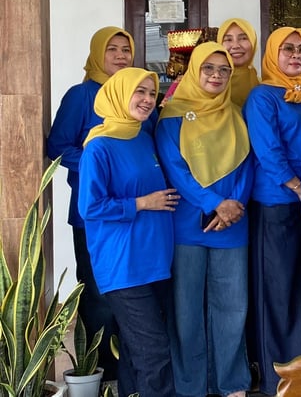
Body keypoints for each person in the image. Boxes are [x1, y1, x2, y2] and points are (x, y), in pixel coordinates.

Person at [47, 26, 144, 381]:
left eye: (125, 49)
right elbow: (58, 147)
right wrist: (98, 165)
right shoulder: (82, 95)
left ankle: (132, 370)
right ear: (97, 53)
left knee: (132, 292)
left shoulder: (138, 95)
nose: (120, 55)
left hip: (137, 210)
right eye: (112, 49)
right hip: (93, 214)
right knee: (99, 294)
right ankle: (102, 372)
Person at [155, 42, 253, 397]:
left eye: (224, 70)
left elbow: (247, 164)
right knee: (186, 310)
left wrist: (233, 206)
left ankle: (231, 381)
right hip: (188, 224)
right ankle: (190, 385)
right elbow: (175, 169)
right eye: (208, 68)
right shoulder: (171, 116)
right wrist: (215, 203)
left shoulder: (236, 114)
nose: (216, 75)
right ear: (194, 71)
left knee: (233, 305)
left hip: (232, 224)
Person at [78, 67, 176, 397]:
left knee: (136, 352)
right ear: (119, 94)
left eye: (151, 92)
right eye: (139, 92)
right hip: (124, 265)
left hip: (154, 261)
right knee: (154, 352)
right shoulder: (99, 146)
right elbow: (90, 207)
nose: (148, 99)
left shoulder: (142, 137)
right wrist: (142, 203)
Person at [243, 26, 301, 396]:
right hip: (277, 203)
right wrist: (296, 185)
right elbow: (267, 149)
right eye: (287, 49)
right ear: (273, 54)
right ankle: (279, 376)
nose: (296, 55)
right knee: (278, 289)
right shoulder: (263, 96)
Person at [218, 18, 260, 107]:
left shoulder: (262, 85)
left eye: (243, 38)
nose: (236, 46)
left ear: (253, 42)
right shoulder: (211, 83)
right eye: (228, 40)